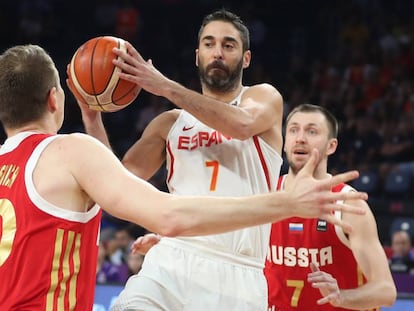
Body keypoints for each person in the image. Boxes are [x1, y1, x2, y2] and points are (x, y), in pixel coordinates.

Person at [0, 45, 366, 310]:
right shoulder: (80, 149)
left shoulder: (262, 100)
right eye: (209, 43)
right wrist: (285, 203)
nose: (218, 52)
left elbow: (241, 125)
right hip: (177, 253)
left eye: (228, 44)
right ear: (54, 99)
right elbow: (136, 191)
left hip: (239, 266)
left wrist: (99, 117)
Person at [264, 104, 396, 310]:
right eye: (293, 130)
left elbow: (386, 290)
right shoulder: (265, 193)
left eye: (312, 131)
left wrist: (342, 297)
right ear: (284, 143)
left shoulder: (347, 204)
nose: (300, 138)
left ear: (331, 146)